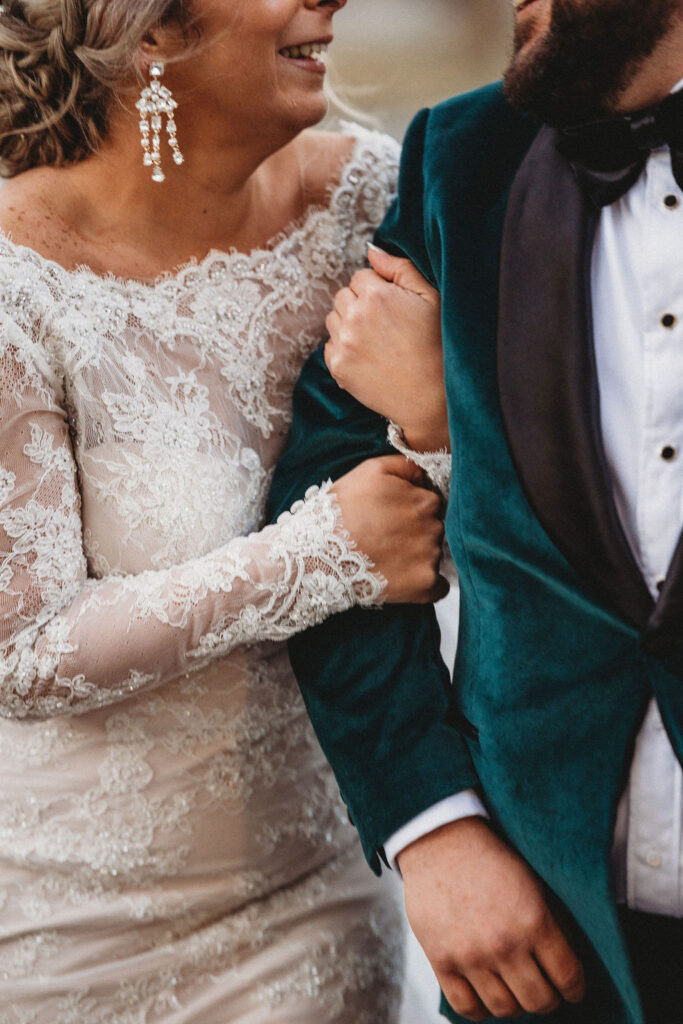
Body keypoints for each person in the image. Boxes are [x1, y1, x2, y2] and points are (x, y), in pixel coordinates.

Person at [0, 1, 451, 1020]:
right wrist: (323, 555)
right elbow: (20, 647)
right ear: (148, 31)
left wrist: (437, 426)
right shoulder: (15, 283)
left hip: (315, 913)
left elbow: (508, 508)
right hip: (65, 939)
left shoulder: (371, 198)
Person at [268, 1, 683, 1022]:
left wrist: (454, 419)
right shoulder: (462, 156)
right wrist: (429, 821)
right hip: (548, 951)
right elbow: (331, 519)